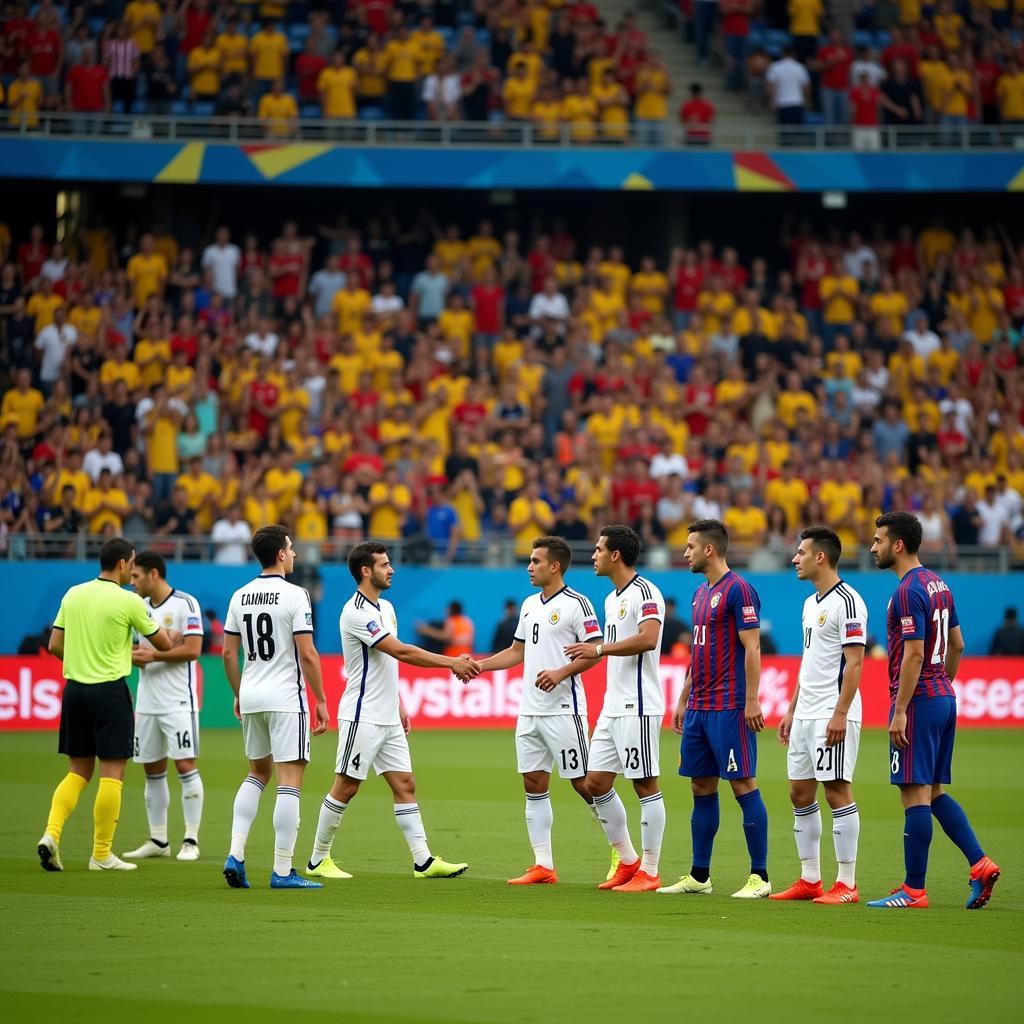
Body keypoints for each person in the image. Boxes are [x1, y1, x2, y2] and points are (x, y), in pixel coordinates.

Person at [304, 542, 476, 880]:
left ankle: (423, 861)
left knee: (405, 783)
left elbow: (385, 664)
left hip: (387, 714)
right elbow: (401, 652)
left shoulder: (387, 608)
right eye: (384, 564)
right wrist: (452, 662)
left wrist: (398, 703)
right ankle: (317, 860)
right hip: (362, 713)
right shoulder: (355, 612)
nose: (391, 569)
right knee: (347, 786)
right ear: (366, 571)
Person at [866, 512, 1000, 910]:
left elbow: (914, 653)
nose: (873, 547)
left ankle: (914, 890)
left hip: (920, 700)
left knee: (914, 793)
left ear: (898, 545)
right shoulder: (939, 583)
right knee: (934, 790)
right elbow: (956, 644)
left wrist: (901, 710)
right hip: (943, 695)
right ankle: (980, 863)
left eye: (878, 540)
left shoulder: (907, 590)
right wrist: (943, 685)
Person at [37, 537, 172, 872]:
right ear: (124, 564)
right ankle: (101, 854)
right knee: (113, 772)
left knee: (77, 771)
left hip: (75, 691)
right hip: (109, 692)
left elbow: (55, 644)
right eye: (132, 564)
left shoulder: (73, 593)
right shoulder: (128, 601)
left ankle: (51, 834)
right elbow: (164, 643)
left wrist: (84, 658)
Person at [476, 537, 606, 884]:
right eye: (529, 561)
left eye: (535, 561)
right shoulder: (530, 604)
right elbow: (517, 651)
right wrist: (480, 666)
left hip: (565, 709)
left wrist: (562, 671)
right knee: (533, 783)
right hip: (530, 710)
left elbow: (595, 649)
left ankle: (622, 854)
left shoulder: (578, 604)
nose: (529, 567)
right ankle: (543, 866)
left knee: (586, 784)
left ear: (555, 566)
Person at [661, 518, 768, 898]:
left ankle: (760, 877)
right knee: (700, 785)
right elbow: (698, 651)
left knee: (742, 784)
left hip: (729, 705)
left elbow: (752, 647)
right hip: (700, 706)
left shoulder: (739, 590)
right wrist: (683, 697)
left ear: (709, 549)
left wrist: (752, 699)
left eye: (690, 546)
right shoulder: (699, 593)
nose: (685, 553)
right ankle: (699, 876)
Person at [221, 525, 330, 890]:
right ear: (281, 554)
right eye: (292, 548)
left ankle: (235, 853)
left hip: (252, 694)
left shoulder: (239, 596)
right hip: (286, 697)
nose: (295, 553)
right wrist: (321, 699)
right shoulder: (296, 595)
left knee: (257, 773)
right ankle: (283, 871)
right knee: (290, 778)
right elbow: (308, 652)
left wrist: (238, 692)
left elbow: (227, 653)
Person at [562, 524, 667, 893]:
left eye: (598, 549)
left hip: (638, 704)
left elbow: (650, 637)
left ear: (615, 555)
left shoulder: (645, 592)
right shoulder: (611, 598)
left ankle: (650, 872)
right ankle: (628, 861)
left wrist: (600, 649)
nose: (593, 555)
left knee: (644, 784)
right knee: (595, 782)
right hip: (613, 703)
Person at [773, 527, 866, 905]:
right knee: (799, 792)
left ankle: (846, 883)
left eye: (801, 553)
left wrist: (840, 713)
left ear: (820, 557)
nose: (795, 559)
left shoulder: (849, 601)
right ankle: (810, 878)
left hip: (832, 710)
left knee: (836, 790)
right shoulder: (811, 603)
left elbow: (855, 662)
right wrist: (792, 709)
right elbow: (809, 659)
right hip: (806, 712)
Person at [120, 551, 204, 862]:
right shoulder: (137, 608)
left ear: (154, 574)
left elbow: (194, 649)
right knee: (151, 769)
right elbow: (125, 649)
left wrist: (154, 655)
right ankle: (158, 839)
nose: (131, 582)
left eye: (136, 576)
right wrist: (160, 644)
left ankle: (191, 840)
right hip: (147, 701)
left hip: (179, 701)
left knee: (185, 765)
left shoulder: (186, 604)